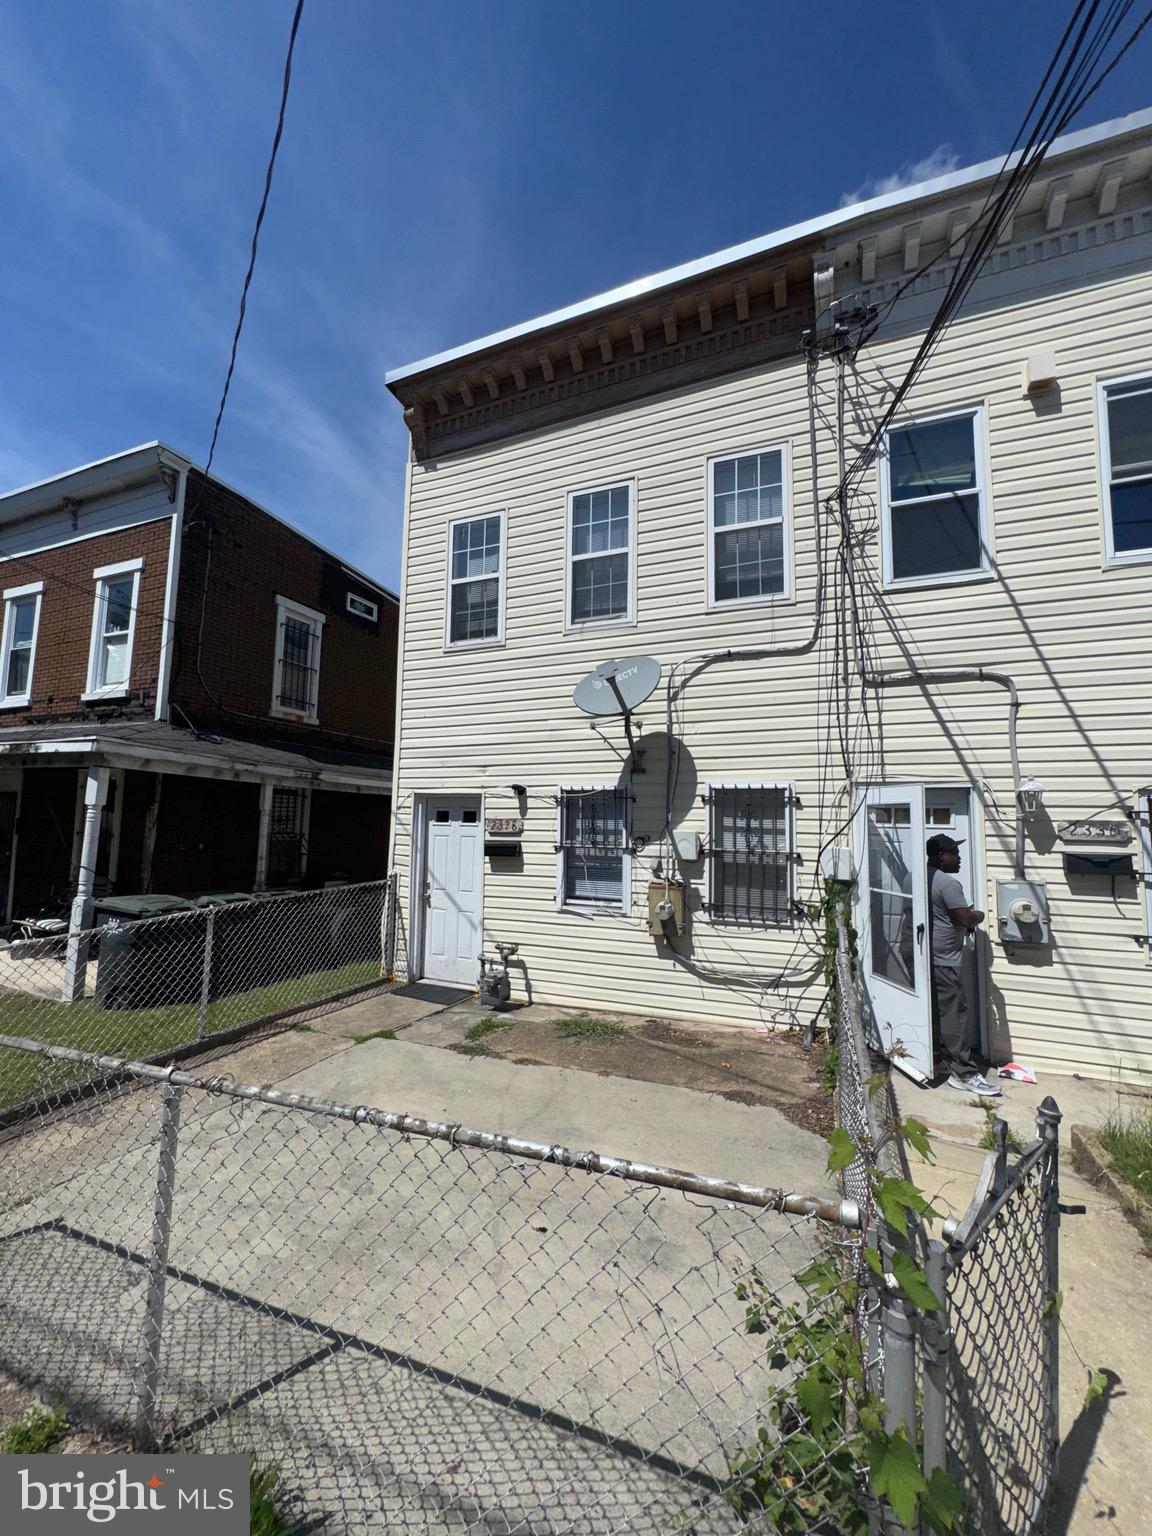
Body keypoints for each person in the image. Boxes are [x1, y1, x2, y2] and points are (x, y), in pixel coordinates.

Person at [926, 833, 1001, 1098]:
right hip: (944, 959)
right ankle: (964, 1072)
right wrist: (978, 915)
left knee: (933, 1012)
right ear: (940, 856)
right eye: (953, 854)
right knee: (954, 1015)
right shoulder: (947, 883)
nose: (958, 859)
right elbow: (963, 917)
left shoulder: (915, 878)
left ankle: (936, 1058)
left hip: (921, 956)